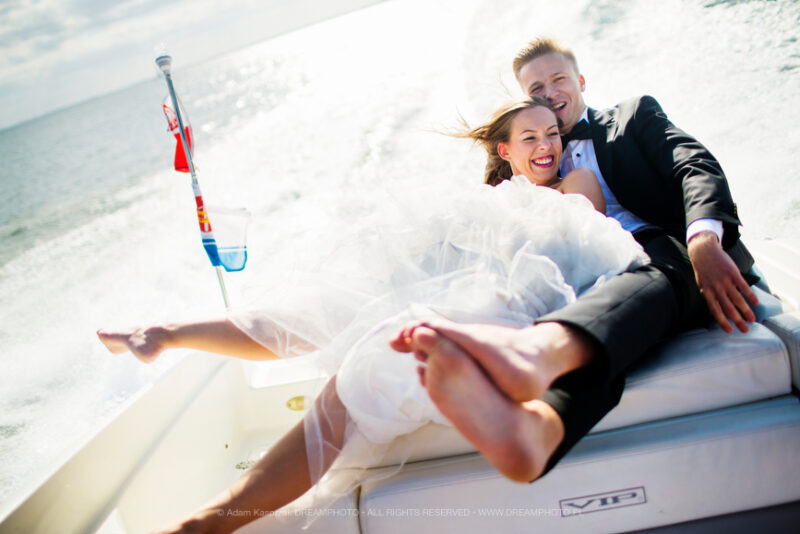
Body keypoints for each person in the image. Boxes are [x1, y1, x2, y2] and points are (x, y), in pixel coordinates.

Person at [99, 97, 649, 533]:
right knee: (327, 306)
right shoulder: (489, 200)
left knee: (364, 366)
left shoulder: (574, 185)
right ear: (504, 150)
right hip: (467, 271)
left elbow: (576, 228)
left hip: (520, 291)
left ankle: (207, 522)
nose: (547, 145)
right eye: (530, 137)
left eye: (552, 134)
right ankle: (164, 332)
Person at [391, 37, 761, 485]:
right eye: (537, 88)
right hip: (588, 277)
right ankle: (539, 430)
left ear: (580, 81)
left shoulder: (634, 115)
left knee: (644, 277)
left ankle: (535, 354)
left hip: (670, 253)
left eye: (558, 79)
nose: (550, 92)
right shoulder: (530, 160)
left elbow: (694, 165)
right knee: (592, 304)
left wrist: (703, 240)